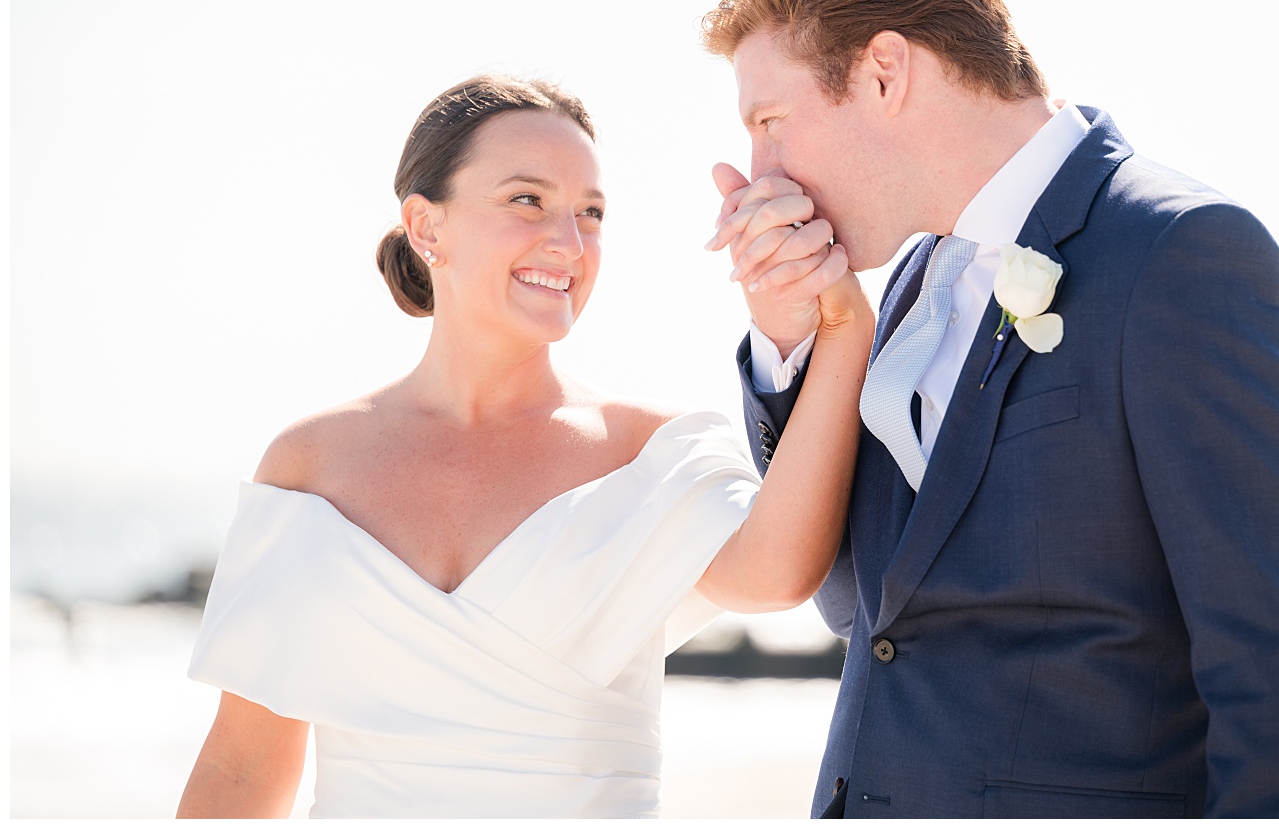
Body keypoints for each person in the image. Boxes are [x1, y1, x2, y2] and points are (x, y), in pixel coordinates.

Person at [702, 0, 1279, 818]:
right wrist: (793, 337)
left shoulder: (1182, 256)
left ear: (885, 73)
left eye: (770, 120)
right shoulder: (914, 284)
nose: (760, 171)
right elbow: (867, 613)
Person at [177, 74, 873, 818]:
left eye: (591, 213)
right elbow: (242, 769)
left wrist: (843, 327)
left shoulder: (649, 451)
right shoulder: (311, 466)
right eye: (526, 199)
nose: (569, 243)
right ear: (426, 227)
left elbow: (778, 576)